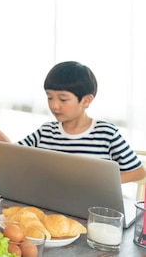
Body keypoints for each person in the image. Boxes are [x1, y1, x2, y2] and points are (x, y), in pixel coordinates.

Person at [18, 61, 146, 184]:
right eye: (49, 97)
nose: (54, 105)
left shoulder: (106, 133)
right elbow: (11, 155)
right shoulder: (45, 131)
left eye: (63, 99)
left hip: (92, 205)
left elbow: (138, 172)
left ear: (86, 101)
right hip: (49, 203)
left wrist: (99, 182)